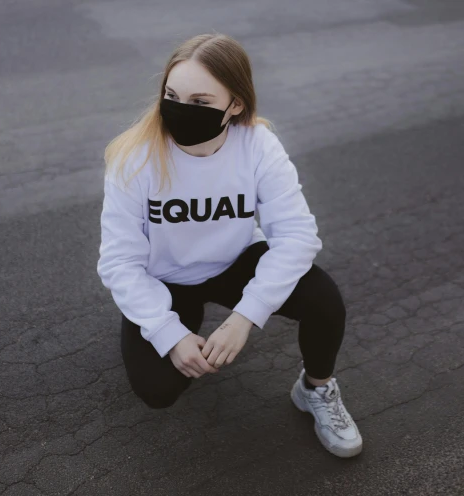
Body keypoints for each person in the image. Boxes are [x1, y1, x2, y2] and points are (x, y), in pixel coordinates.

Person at [97, 33, 362, 458]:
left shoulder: (257, 145)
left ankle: (316, 389)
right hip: (166, 278)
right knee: (158, 390)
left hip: (234, 262)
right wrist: (168, 332)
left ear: (234, 104)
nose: (181, 109)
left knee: (324, 299)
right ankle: (161, 321)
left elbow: (297, 236)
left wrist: (246, 315)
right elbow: (119, 262)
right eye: (171, 94)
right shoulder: (136, 157)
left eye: (200, 102)